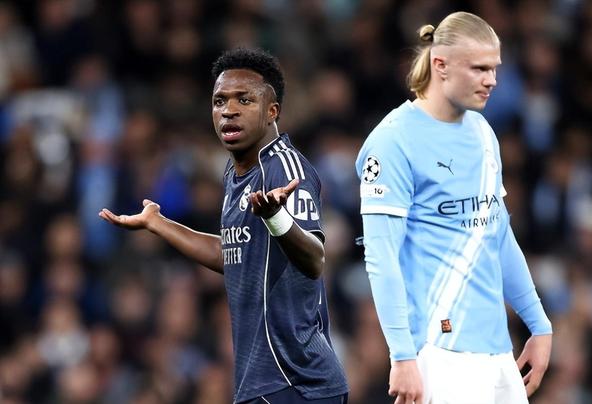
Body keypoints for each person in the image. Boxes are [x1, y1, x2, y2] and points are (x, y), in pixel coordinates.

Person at [100, 48, 349, 404]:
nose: (228, 110)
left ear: (272, 111)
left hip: (297, 381)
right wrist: (158, 223)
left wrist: (276, 217)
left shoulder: (285, 168)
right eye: (220, 101)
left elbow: (315, 259)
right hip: (261, 380)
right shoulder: (235, 173)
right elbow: (230, 253)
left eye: (244, 100)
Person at [355, 12, 552, 404]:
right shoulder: (393, 141)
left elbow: (497, 235)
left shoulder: (482, 132)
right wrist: (402, 355)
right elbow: (381, 257)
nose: (492, 80)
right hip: (438, 354)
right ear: (440, 64)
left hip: (497, 352)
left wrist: (539, 323)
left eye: (494, 68)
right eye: (479, 68)